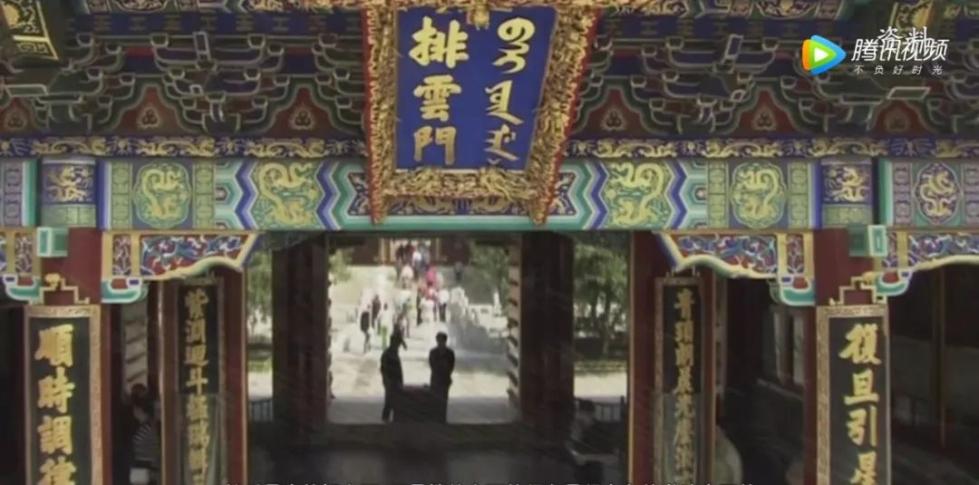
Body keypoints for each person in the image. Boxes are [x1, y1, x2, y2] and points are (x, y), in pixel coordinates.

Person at [130, 395, 159, 485]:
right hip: (143, 467)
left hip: (144, 466)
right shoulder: (147, 426)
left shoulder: (147, 428)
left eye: (135, 408)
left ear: (139, 410)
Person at [428, 332, 455, 423]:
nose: (439, 342)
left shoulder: (450, 353)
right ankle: (435, 418)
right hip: (436, 379)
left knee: (443, 400)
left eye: (441, 341)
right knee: (435, 400)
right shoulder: (433, 352)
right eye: (438, 340)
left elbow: (451, 366)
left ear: (444, 341)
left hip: (444, 379)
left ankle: (442, 418)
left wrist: (445, 371)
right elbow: (432, 365)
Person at [381, 335, 404, 422]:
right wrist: (387, 381)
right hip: (391, 381)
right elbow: (384, 369)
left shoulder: (394, 352)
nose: (399, 346)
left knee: (394, 402)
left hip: (395, 381)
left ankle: (392, 420)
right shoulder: (388, 354)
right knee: (389, 402)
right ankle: (385, 419)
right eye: (398, 344)